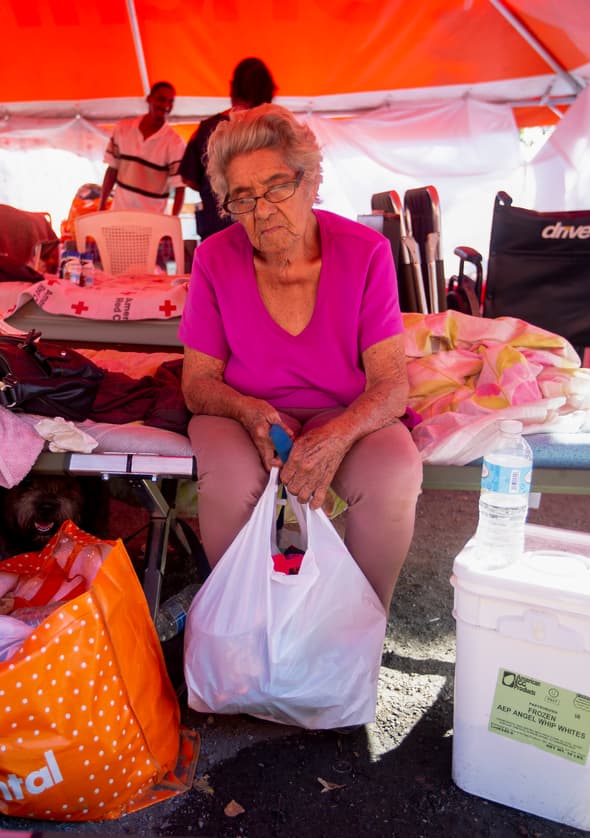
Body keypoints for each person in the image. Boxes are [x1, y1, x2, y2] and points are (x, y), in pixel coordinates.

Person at [178, 104, 422, 610]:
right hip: (247, 410)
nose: (262, 210)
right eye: (242, 198)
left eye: (277, 187)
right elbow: (198, 382)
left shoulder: (366, 253)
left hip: (346, 412)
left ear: (311, 181)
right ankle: (241, 628)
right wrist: (247, 411)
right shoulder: (214, 258)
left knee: (394, 471)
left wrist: (335, 437)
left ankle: (359, 628)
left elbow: (391, 384)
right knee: (229, 478)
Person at [179, 58, 276, 241]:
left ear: (234, 87)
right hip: (267, 224)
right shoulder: (278, 127)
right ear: (269, 89)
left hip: (219, 225)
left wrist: (218, 184)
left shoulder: (209, 128)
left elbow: (188, 178)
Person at [99, 82, 185, 216]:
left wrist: (172, 223)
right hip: (120, 215)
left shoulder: (175, 143)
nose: (166, 105)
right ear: (149, 99)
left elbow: (180, 188)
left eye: (170, 102)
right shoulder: (123, 128)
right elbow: (111, 171)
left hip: (153, 222)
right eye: (161, 99)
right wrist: (101, 207)